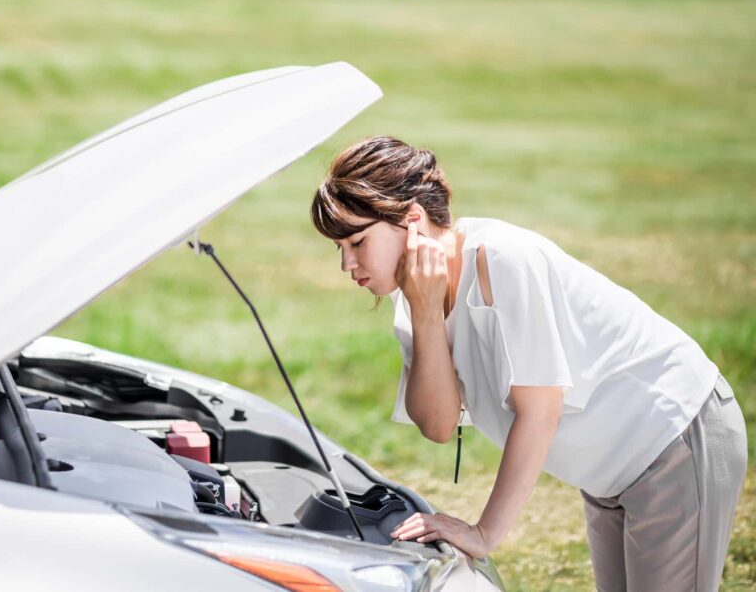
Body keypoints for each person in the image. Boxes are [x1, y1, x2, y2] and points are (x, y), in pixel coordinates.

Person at [310, 135, 747, 591]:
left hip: (672, 438)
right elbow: (438, 424)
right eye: (339, 248)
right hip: (610, 475)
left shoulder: (502, 260)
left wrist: (483, 534)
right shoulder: (414, 300)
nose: (347, 264)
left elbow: (540, 410)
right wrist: (425, 314)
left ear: (412, 221)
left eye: (357, 241)